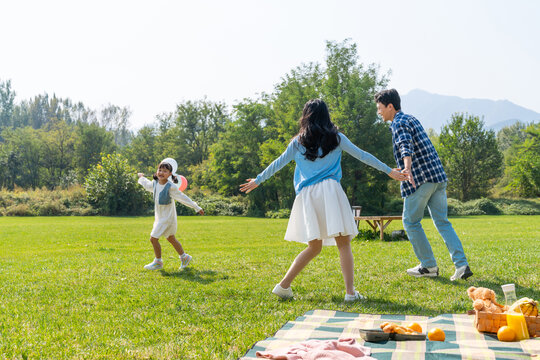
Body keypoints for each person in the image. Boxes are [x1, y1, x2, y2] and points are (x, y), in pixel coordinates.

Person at [240, 99, 406, 301]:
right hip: (330, 191)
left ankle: (283, 286)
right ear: (326, 115)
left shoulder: (298, 142)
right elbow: (363, 156)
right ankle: (350, 293)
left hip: (307, 196)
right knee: (343, 244)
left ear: (306, 116)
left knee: (314, 246)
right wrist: (389, 171)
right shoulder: (336, 138)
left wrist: (258, 180)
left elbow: (277, 163)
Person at [374, 88, 473, 281]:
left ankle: (428, 266)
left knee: (410, 222)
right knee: (443, 222)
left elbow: (405, 145)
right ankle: (462, 265)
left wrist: (407, 168)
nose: (379, 112)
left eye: (380, 108)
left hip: (420, 179)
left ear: (390, 106)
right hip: (438, 178)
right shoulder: (411, 118)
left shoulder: (398, 123)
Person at [138, 158, 204, 270]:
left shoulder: (171, 187)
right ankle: (184, 257)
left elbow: (183, 198)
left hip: (167, 218)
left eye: (165, 171)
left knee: (153, 239)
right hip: (159, 217)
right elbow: (147, 184)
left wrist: (196, 207)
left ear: (170, 174)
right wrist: (141, 177)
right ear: (156, 171)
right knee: (170, 238)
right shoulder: (155, 183)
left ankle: (158, 262)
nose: (161, 172)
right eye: (160, 170)